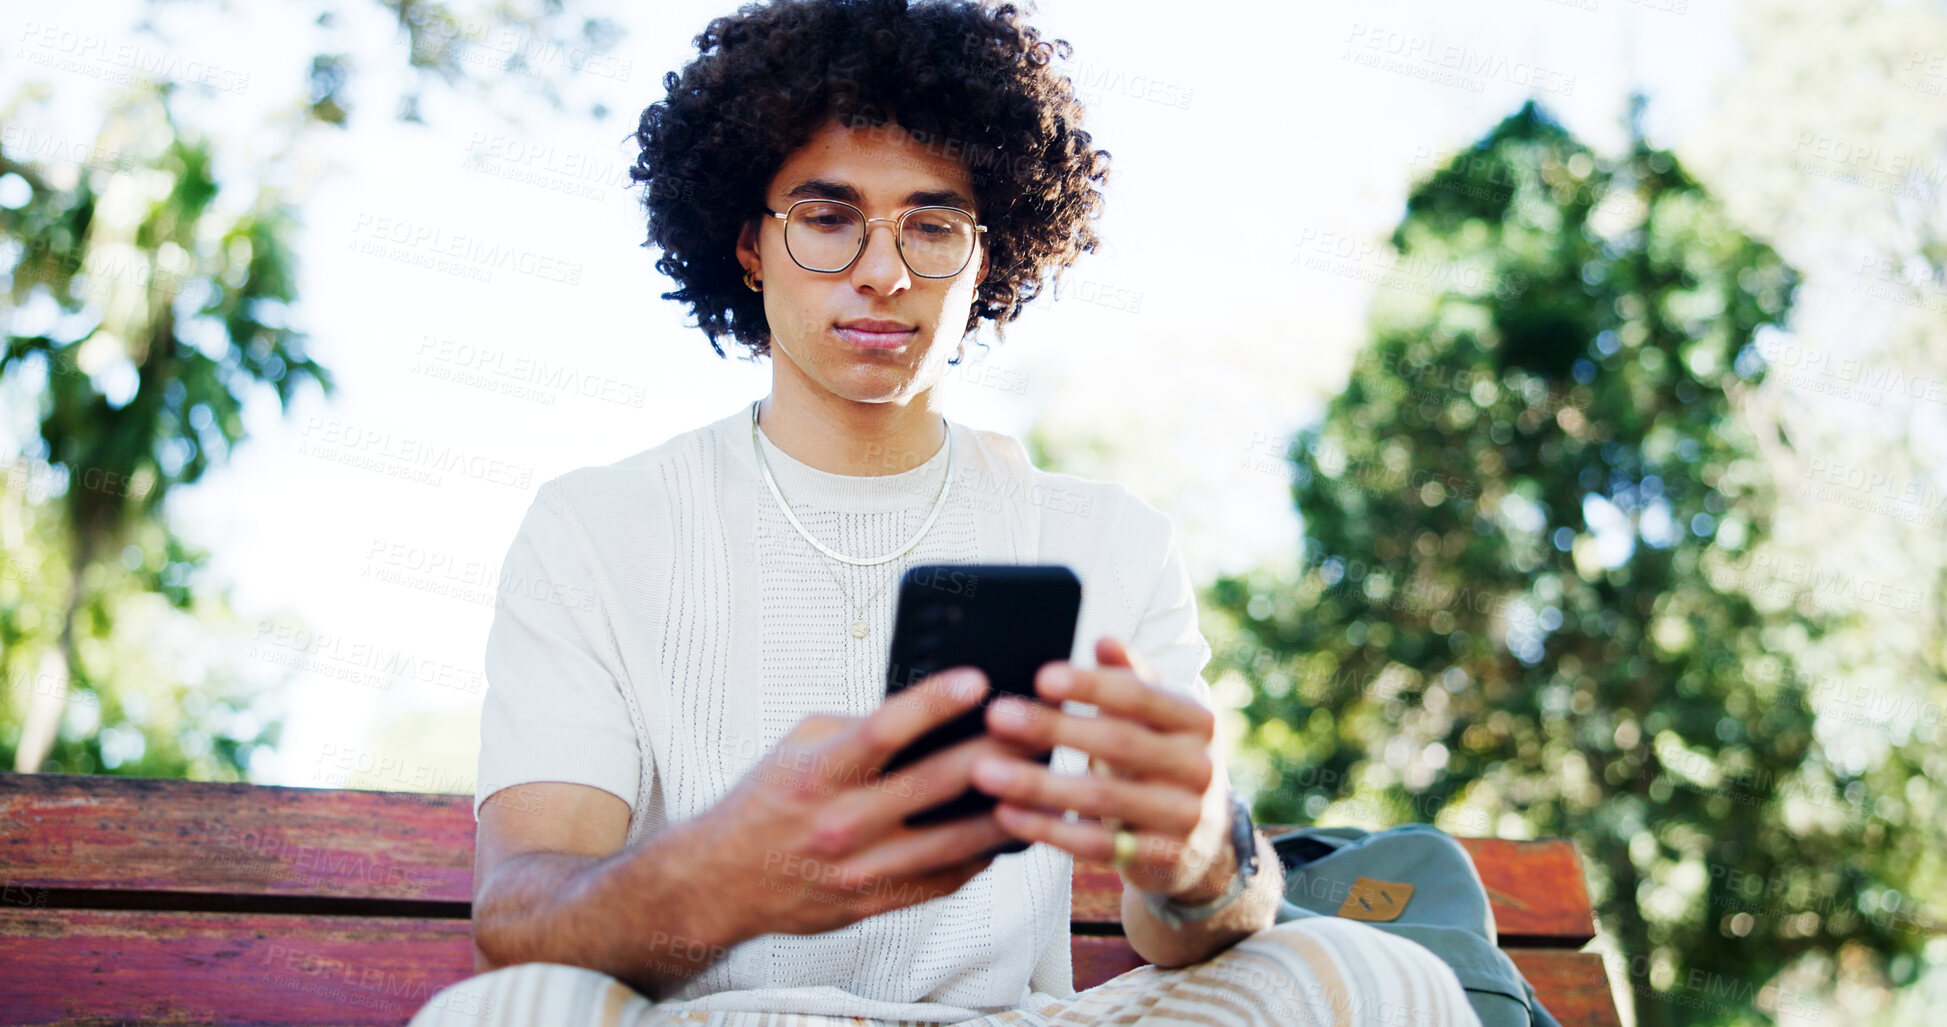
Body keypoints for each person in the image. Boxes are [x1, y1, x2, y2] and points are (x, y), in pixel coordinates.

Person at [409, 1, 1482, 1024]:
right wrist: (727, 877)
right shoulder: (596, 529)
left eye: (933, 224)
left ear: (991, 253)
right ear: (747, 244)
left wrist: (1202, 851)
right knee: (499, 1011)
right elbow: (520, 917)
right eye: (827, 218)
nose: (883, 271)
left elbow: (1187, 927)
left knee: (1376, 980)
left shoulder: (1110, 540)